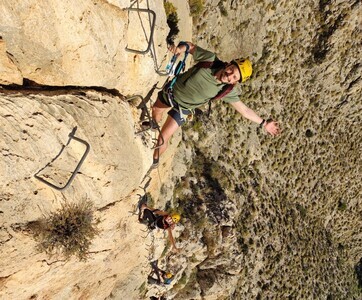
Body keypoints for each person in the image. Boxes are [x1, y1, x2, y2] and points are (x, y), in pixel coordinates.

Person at [148, 41, 281, 167]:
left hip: (183, 109)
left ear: (235, 82)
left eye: (234, 78)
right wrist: (180, 49)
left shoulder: (226, 91)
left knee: (162, 139)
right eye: (231, 71)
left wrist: (264, 123)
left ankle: (153, 162)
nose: (229, 76)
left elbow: (245, 111)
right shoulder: (210, 60)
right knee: (156, 111)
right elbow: (191, 47)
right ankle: (152, 128)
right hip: (171, 92)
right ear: (229, 64)